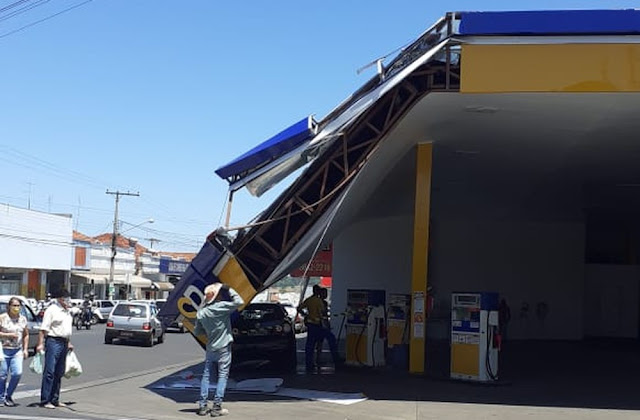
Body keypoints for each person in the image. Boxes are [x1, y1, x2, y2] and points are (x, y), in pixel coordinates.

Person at [194, 283, 244, 417]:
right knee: (222, 375)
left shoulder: (201, 313)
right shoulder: (221, 307)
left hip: (211, 347)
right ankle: (217, 406)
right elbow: (239, 301)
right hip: (224, 346)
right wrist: (229, 288)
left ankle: (203, 405)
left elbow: (197, 331)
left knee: (206, 375)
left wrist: (210, 332)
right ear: (217, 296)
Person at [37, 289, 73, 409]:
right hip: (53, 341)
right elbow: (44, 328)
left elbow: (66, 330)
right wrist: (40, 344)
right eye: (66, 298)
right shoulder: (52, 310)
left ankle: (55, 399)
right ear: (60, 299)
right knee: (50, 371)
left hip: (64, 342)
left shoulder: (67, 311)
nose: (68, 300)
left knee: (59, 372)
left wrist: (69, 343)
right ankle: (45, 399)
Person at [298, 285, 341, 372]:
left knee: (310, 346)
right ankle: (337, 360)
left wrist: (306, 315)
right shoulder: (319, 301)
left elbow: (299, 308)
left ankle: (309, 363)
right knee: (331, 340)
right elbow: (322, 313)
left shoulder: (309, 300)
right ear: (318, 292)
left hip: (310, 324)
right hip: (319, 325)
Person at [0, 297, 29, 407]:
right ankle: (1, 397)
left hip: (17, 350)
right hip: (3, 349)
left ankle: (9, 395)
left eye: (18, 306)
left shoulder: (23, 319)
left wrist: (25, 349)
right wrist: (8, 335)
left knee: (17, 373)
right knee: (2, 375)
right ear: (9, 306)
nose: (16, 308)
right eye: (14, 305)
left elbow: (26, 335)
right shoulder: (2, 318)